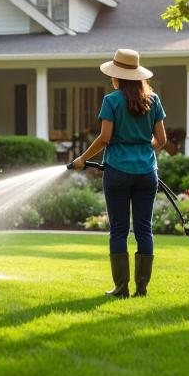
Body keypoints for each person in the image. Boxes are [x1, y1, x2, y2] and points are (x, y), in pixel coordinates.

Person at [71, 49, 166, 298]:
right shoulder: (153, 101)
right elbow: (162, 140)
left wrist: (82, 159)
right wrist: (144, 152)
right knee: (144, 229)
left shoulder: (112, 101)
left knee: (119, 229)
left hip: (117, 172)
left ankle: (121, 288)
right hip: (147, 173)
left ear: (117, 77)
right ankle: (142, 289)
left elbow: (104, 139)